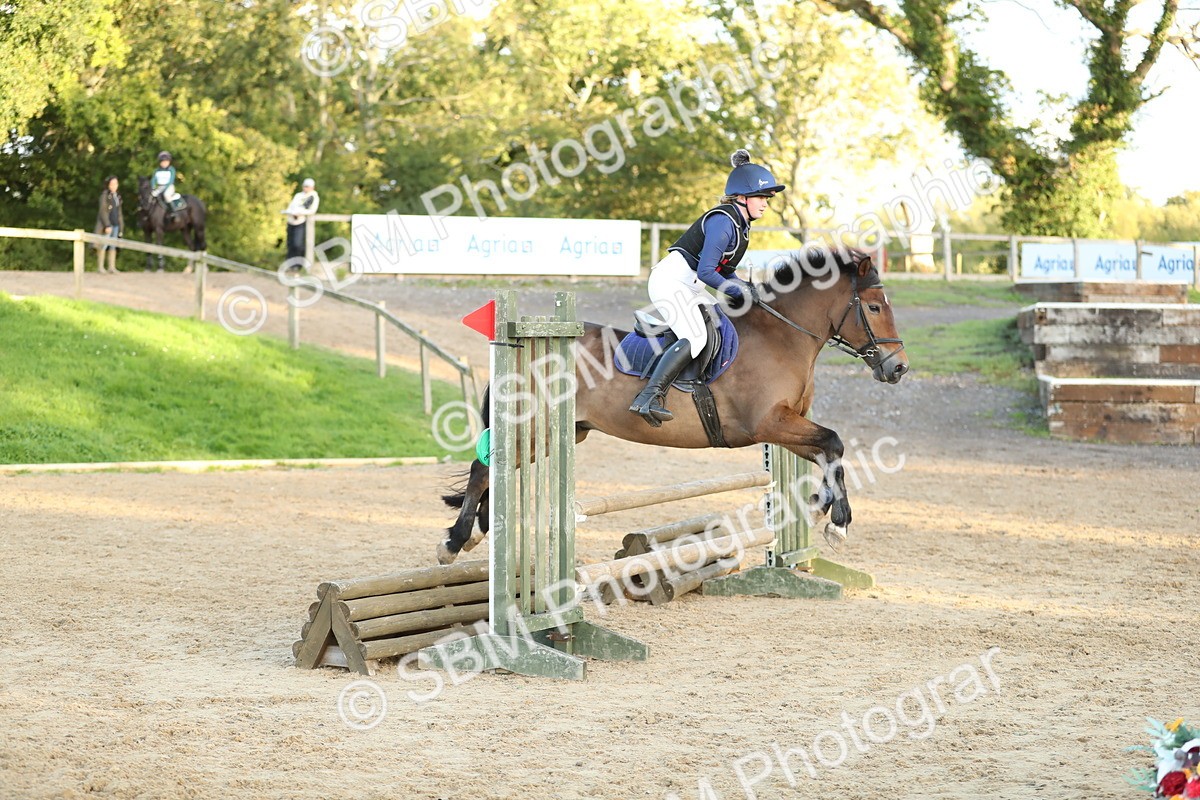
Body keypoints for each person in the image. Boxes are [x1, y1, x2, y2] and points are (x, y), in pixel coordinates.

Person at [629, 148, 785, 426]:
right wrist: (736, 290)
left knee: (721, 322)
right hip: (670, 282)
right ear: (742, 197)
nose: (765, 204)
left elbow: (725, 271)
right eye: (761, 197)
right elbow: (706, 271)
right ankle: (649, 397)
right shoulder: (723, 222)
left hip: (689, 285)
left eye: (767, 198)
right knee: (697, 337)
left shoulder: (741, 226)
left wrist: (749, 288)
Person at [284, 178, 320, 265]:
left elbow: (311, 210)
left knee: (297, 244)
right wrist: (290, 212)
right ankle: (289, 264)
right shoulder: (298, 195)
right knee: (290, 244)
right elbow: (291, 206)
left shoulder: (313, 197)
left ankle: (297, 264)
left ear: (312, 187)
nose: (305, 188)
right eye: (304, 186)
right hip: (291, 221)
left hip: (300, 223)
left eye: (307, 186)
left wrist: (300, 213)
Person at [94, 175, 124, 273]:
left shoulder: (117, 196)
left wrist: (121, 226)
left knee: (113, 246)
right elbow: (103, 211)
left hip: (116, 224)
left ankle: (112, 267)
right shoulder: (104, 196)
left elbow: (119, 213)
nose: (114, 186)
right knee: (103, 245)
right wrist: (107, 225)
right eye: (112, 184)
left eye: (116, 184)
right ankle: (100, 267)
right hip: (107, 225)